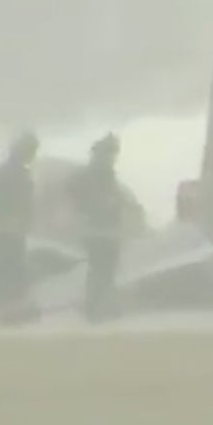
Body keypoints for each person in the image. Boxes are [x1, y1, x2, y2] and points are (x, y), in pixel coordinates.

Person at [69, 131, 131, 323]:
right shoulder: (98, 174)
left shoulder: (98, 172)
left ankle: (100, 305)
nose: (114, 157)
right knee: (101, 269)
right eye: (113, 153)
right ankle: (95, 307)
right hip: (99, 229)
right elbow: (93, 199)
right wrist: (104, 204)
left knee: (104, 268)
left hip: (102, 229)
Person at [0, 130, 42, 324]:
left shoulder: (17, 172)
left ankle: (10, 309)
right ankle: (4, 310)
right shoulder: (9, 173)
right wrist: (10, 220)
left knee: (12, 268)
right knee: (7, 268)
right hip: (7, 228)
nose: (32, 155)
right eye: (31, 150)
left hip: (13, 228)